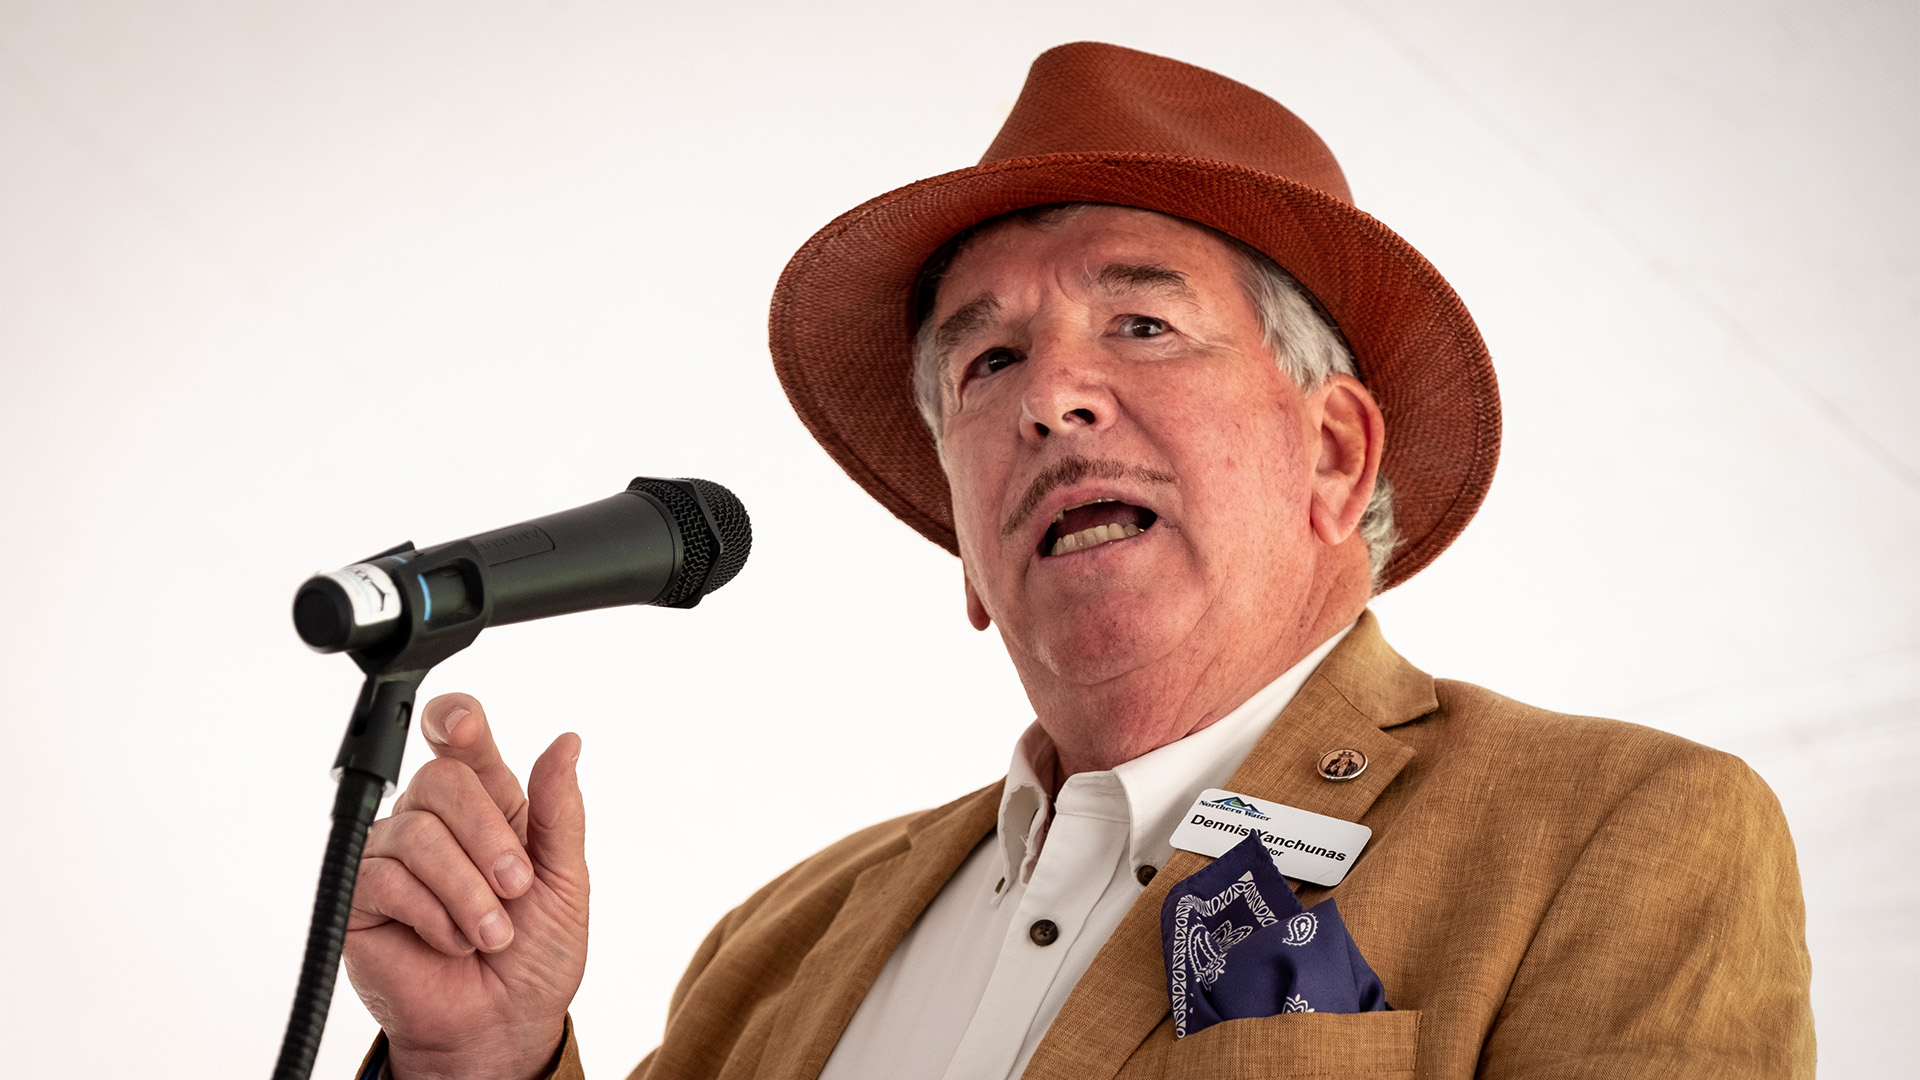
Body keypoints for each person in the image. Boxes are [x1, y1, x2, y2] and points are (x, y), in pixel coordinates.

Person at [340, 43, 1816, 1080]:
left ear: (1335, 454)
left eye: (1143, 323)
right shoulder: (782, 943)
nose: (1048, 395)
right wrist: (484, 1057)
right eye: (985, 361)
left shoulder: (1619, 836)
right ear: (971, 553)